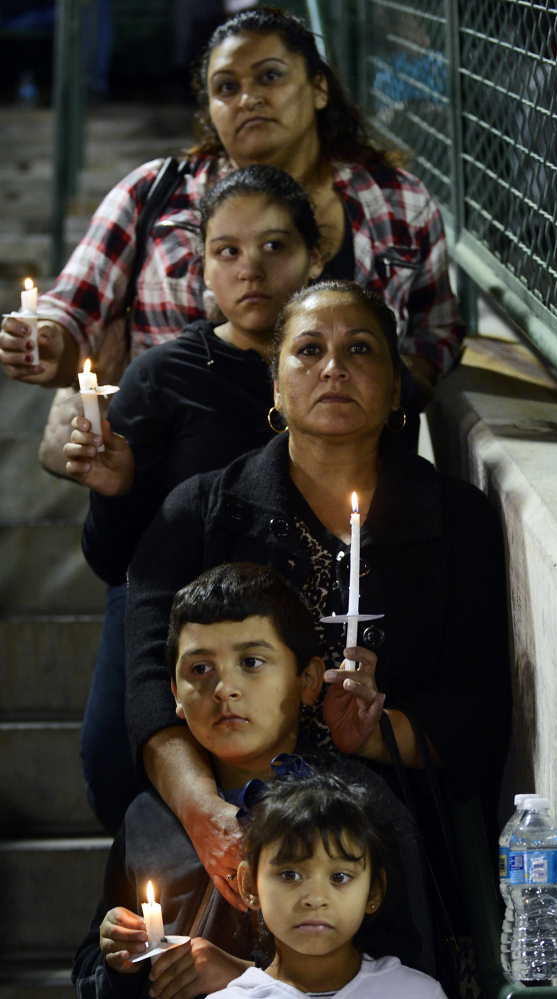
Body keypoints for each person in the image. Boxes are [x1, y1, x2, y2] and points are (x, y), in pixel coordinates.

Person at [124, 281, 511, 914]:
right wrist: (205, 815)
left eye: (360, 349)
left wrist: (374, 738)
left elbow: (479, 702)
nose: (333, 367)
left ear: (393, 389)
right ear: (276, 388)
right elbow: (147, 681)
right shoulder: (199, 513)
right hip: (224, 811)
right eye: (308, 351)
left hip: (387, 839)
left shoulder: (452, 518)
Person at [0, 6, 466, 422]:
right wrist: (46, 340)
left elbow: (436, 326)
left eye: (269, 76)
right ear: (210, 108)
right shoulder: (155, 193)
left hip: (351, 484)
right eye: (227, 87)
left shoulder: (397, 199)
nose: (248, 98)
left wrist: (401, 391)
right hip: (178, 479)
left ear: (319, 87)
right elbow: (74, 307)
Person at [62, 164, 323, 833]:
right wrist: (116, 490)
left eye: (274, 246)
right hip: (174, 603)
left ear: (314, 256)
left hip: (302, 610)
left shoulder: (338, 369)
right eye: (226, 251)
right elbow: (112, 559)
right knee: (112, 757)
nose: (250, 270)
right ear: (200, 267)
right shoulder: (164, 375)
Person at [72, 563, 434, 999]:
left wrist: (247, 980)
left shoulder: (357, 804)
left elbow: (403, 971)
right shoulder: (151, 817)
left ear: (309, 680)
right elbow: (88, 978)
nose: (225, 688)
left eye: (251, 662)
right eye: (201, 669)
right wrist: (119, 960)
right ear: (175, 696)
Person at [208, 771, 448, 998]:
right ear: (251, 886)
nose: (315, 898)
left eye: (339, 877)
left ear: (373, 892)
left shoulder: (417, 993)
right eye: (290, 875)